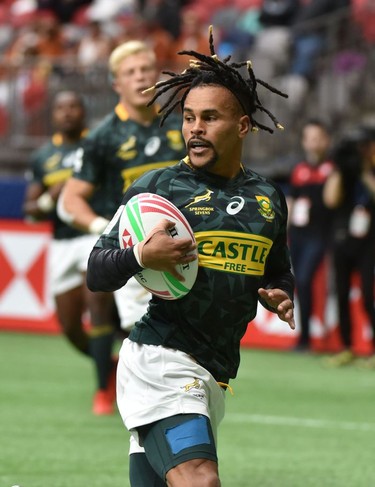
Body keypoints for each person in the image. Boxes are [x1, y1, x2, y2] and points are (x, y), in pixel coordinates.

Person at [86, 26, 295, 486]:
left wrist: (281, 294)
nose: (195, 129)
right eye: (188, 117)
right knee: (201, 479)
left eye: (209, 118)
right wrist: (142, 255)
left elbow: (278, 268)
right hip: (160, 360)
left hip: (215, 371)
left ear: (242, 125)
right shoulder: (157, 190)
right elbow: (97, 271)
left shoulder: (268, 198)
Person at [57, 40, 186, 414]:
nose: (141, 77)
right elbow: (70, 199)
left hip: (182, 243)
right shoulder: (103, 136)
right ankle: (120, 393)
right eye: (131, 72)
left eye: (146, 69)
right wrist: (104, 228)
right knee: (137, 329)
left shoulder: (181, 125)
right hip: (133, 249)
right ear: (117, 84)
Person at [23, 90, 119, 415]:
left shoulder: (96, 146)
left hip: (92, 235)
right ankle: (114, 364)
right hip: (62, 243)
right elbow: (31, 210)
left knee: (97, 307)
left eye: (74, 106)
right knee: (71, 329)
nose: (67, 113)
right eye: (61, 108)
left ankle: (102, 392)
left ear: (83, 112)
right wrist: (50, 199)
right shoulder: (43, 156)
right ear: (54, 115)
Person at [323, 125, 375, 367]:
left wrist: (365, 171)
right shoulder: (344, 170)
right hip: (343, 238)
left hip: (369, 243)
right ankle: (346, 347)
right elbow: (330, 200)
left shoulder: (368, 169)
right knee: (341, 294)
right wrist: (340, 169)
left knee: (368, 296)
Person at [287, 119, 335, 351]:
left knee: (305, 279)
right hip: (298, 235)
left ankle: (307, 336)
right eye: (309, 138)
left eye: (318, 137)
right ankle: (303, 338)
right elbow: (293, 202)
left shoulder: (333, 169)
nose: (313, 142)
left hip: (320, 235)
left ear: (326, 140)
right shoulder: (299, 170)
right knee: (300, 284)